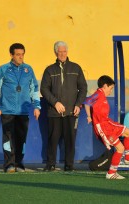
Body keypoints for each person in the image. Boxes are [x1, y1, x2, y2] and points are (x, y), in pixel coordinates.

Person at [0, 43, 41, 173]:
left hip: (23, 112)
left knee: (21, 139)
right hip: (7, 110)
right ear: (11, 55)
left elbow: (34, 88)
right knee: (8, 139)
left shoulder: (28, 70)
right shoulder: (3, 69)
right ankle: (9, 165)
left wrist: (37, 106)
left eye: (22, 54)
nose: (21, 57)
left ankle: (19, 164)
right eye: (18, 54)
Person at [41, 41, 87, 171]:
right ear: (55, 53)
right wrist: (55, 102)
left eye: (64, 51)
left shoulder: (76, 68)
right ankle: (50, 164)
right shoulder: (49, 70)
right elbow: (44, 89)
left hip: (72, 112)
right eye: (60, 52)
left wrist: (78, 104)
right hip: (54, 112)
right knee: (52, 140)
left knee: (70, 140)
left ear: (67, 52)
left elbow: (83, 88)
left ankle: (69, 165)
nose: (62, 54)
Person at [84, 75, 129, 179]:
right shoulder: (98, 94)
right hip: (103, 128)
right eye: (111, 88)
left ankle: (128, 158)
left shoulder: (101, 95)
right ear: (105, 86)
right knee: (120, 148)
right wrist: (89, 116)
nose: (111, 91)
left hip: (108, 123)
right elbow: (87, 102)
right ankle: (111, 173)